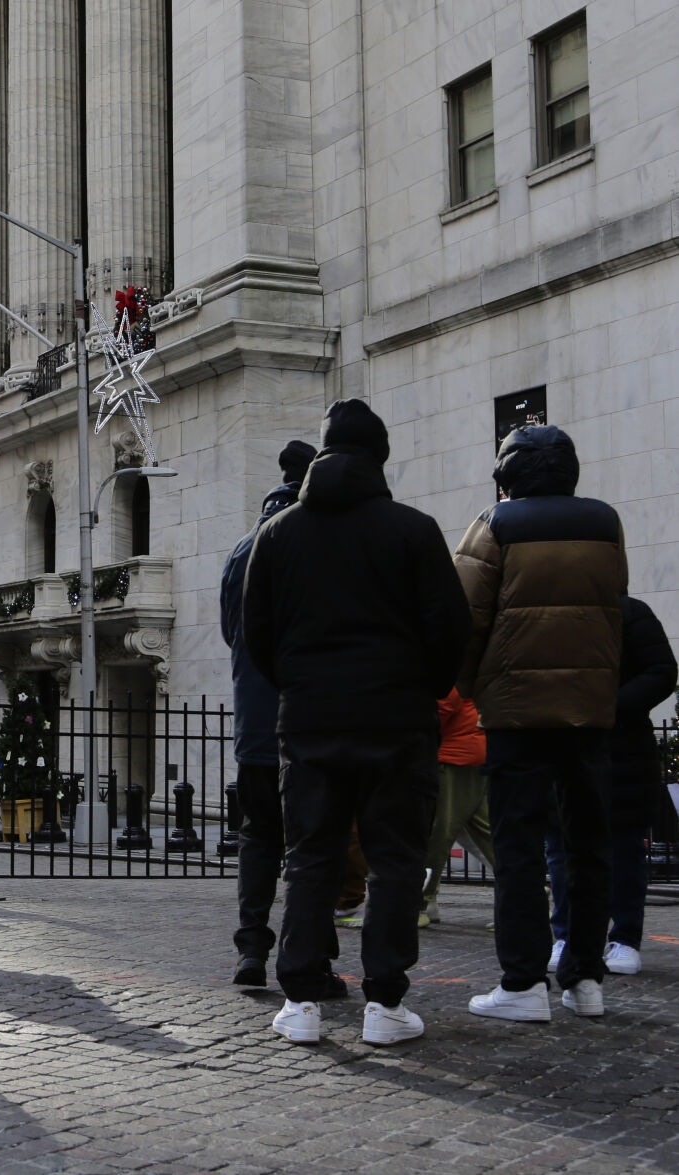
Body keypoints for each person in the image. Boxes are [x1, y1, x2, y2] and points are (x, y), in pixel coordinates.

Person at [243, 400, 469, 1046]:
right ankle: (385, 1002)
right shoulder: (413, 531)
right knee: (394, 858)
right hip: (395, 717)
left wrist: (297, 679)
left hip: (309, 717)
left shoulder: (278, 535)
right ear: (379, 458)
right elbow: (451, 628)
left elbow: (256, 631)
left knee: (309, 854)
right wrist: (421, 685)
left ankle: (301, 1001)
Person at [456, 425, 629, 1023]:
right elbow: (614, 610)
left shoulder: (495, 524)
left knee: (520, 847)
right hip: (588, 710)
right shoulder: (605, 523)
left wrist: (471, 687)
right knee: (588, 846)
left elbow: (466, 619)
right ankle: (585, 980)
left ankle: (523, 983)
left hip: (517, 711)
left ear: (508, 474)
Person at [222, 441, 343, 989]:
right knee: (315, 841)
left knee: (259, 836)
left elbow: (233, 634)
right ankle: (314, 954)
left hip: (255, 723)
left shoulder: (242, 549)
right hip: (311, 720)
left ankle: (251, 951)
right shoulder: (318, 539)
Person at [546, 596, 675, 978]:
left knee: (624, 847)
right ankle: (566, 935)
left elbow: (661, 671)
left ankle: (623, 937)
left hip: (620, 747)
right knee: (560, 847)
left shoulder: (630, 612)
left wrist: (607, 707)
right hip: (563, 740)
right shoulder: (549, 610)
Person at [421, 688, 493, 926]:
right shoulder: (473, 670)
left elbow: (439, 713)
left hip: (453, 759)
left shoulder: (454, 675)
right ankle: (525, 888)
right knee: (485, 831)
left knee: (439, 832)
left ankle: (421, 899)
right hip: (472, 755)